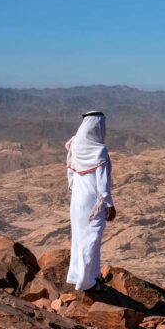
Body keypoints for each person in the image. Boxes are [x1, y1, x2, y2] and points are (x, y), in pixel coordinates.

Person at [65, 111, 117, 292]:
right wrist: (109, 204)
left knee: (80, 238)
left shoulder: (74, 144)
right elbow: (102, 184)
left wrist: (75, 190)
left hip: (77, 200)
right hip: (93, 201)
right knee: (91, 239)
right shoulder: (99, 150)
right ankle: (86, 283)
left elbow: (70, 173)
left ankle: (83, 275)